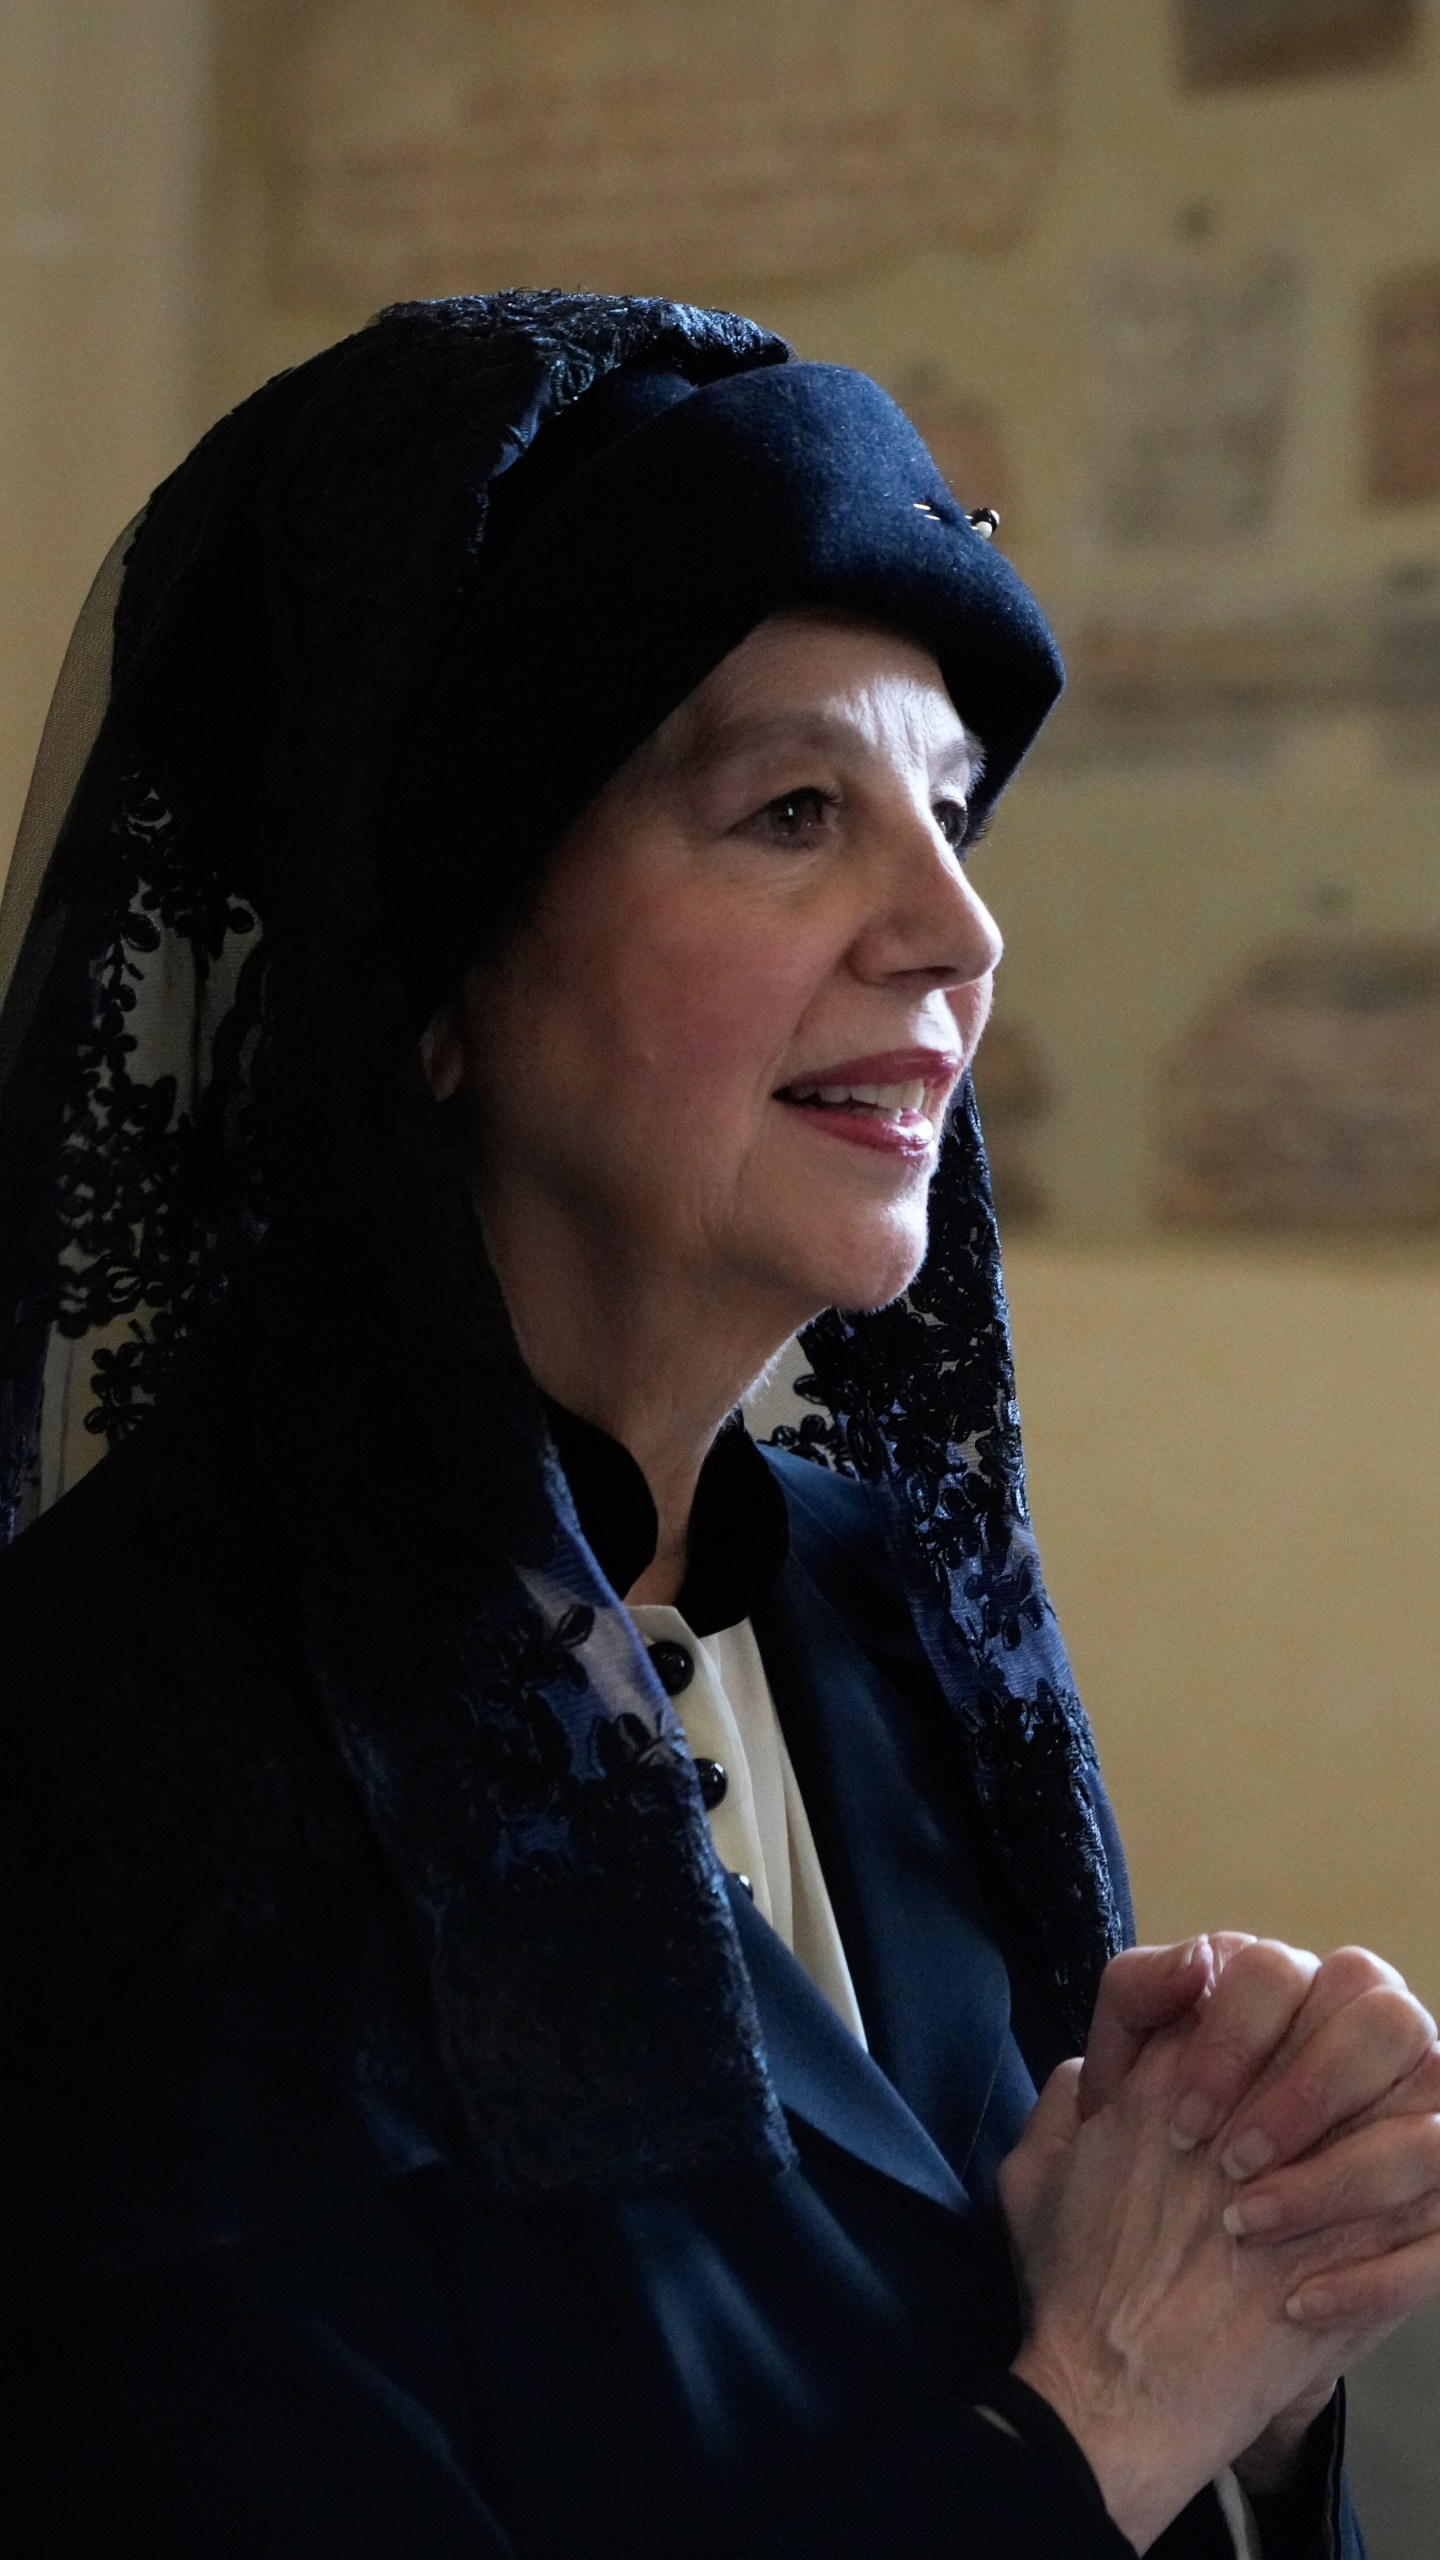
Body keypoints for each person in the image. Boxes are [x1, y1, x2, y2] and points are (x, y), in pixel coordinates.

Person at [1, 290, 1437, 2558]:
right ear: (433, 978)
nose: (956, 928)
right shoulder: (118, 1770)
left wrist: (1262, 2302)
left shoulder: (890, 1618)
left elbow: (1086, 2352)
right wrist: (1104, 2416)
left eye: (951, 817)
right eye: (792, 809)